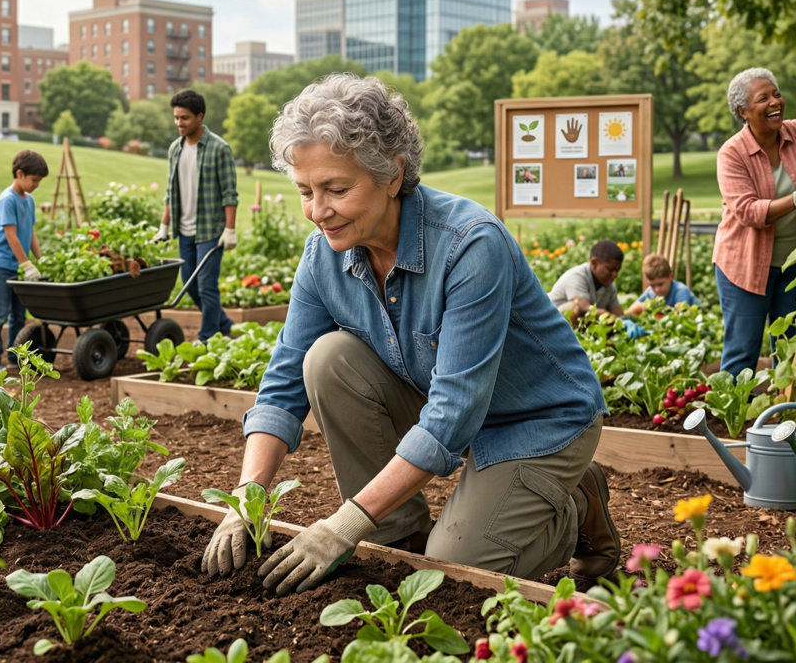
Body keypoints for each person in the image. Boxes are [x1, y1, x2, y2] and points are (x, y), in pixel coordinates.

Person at [202, 74, 616, 595]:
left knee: (452, 573)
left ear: (392, 174)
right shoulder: (322, 254)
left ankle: (577, 505)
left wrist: (343, 526)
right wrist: (247, 501)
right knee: (326, 359)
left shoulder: (469, 244)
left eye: (336, 188)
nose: (318, 210)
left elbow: (453, 413)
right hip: (444, 405)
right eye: (306, 191)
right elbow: (283, 382)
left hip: (536, 421)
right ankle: (396, 534)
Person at [714, 68, 796, 377]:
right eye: (764, 98)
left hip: (794, 265)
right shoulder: (732, 153)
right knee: (742, 349)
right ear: (743, 111)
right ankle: (732, 422)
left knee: (791, 346)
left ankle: (785, 418)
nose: (775, 102)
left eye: (777, 94)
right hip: (743, 268)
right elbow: (747, 211)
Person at [152, 90, 239, 341]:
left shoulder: (219, 149)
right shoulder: (175, 149)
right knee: (189, 284)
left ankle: (207, 337)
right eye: (176, 118)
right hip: (185, 230)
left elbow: (229, 194)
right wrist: (163, 226)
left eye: (185, 118)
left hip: (210, 231)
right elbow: (170, 190)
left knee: (207, 286)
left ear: (200, 116)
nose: (179, 123)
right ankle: (223, 323)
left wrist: (229, 229)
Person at [0, 150, 47, 375]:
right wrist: (26, 264)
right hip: (1, 264)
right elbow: (12, 236)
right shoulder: (7, 199)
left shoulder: (28, 201)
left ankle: (13, 356)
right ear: (20, 174)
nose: (37, 184)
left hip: (19, 265)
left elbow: (30, 233)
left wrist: (40, 259)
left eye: (39, 181)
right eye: (34, 180)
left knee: (19, 314)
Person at [547, 240, 625, 322]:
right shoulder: (577, 276)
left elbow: (618, 314)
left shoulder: (609, 285)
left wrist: (624, 321)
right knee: (574, 307)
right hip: (549, 323)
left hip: (573, 328)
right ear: (594, 263)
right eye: (610, 269)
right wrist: (609, 316)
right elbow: (584, 309)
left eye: (617, 270)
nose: (615, 275)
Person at [627, 254, 700, 315]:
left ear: (671, 277)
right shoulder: (651, 293)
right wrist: (644, 307)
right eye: (652, 285)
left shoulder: (681, 291)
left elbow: (680, 317)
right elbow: (630, 312)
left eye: (660, 284)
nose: (657, 290)